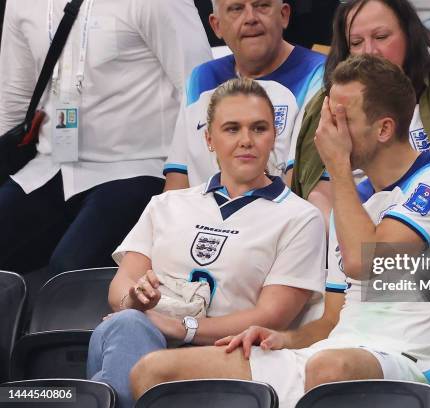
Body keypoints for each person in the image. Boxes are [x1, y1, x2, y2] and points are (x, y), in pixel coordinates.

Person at [129, 55, 430, 408]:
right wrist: (285, 338)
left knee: (328, 368)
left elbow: (366, 262)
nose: (326, 129)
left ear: (384, 129)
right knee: (154, 370)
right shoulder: (354, 202)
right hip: (325, 355)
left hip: (409, 367)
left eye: (341, 118)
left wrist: (338, 170)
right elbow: (330, 320)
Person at [87, 78, 326, 408]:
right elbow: (120, 287)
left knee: (124, 339)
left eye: (259, 128)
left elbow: (272, 316)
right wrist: (135, 298)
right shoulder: (166, 204)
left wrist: (181, 327)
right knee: (128, 323)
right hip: (143, 334)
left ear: (274, 137)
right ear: (209, 139)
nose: (246, 141)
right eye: (232, 129)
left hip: (225, 355)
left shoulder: (301, 217)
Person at [0, 0, 211, 276]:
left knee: (70, 269)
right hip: (50, 167)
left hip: (138, 167)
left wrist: (180, 179)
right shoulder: (23, 3)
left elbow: (201, 91)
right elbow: (14, 98)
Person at [290, 0, 430, 231]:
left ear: (410, 36)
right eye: (356, 42)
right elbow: (314, 195)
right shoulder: (327, 101)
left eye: (381, 37)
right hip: (351, 241)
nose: (370, 51)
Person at [163, 0, 326, 191]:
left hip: (275, 216)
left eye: (262, 6)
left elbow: (300, 186)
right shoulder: (201, 77)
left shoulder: (318, 73)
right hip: (199, 218)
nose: (250, 18)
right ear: (217, 25)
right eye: (236, 9)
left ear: (283, 15)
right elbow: (178, 181)